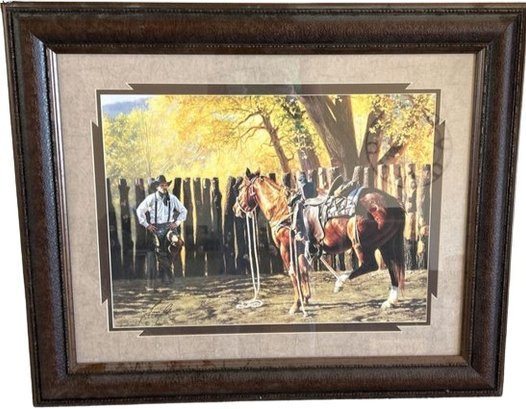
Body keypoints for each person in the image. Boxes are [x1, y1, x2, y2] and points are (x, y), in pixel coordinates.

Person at [136, 175, 187, 282]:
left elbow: (184, 211)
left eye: (166, 185)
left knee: (178, 242)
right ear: (157, 187)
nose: (164, 187)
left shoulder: (172, 198)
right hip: (157, 228)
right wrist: (147, 225)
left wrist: (176, 223)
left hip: (169, 227)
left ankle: (167, 265)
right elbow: (139, 210)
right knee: (160, 252)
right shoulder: (151, 198)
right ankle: (168, 274)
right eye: (162, 185)